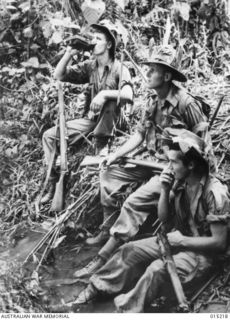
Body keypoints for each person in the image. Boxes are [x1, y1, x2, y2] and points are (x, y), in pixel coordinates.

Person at [74, 45, 214, 276]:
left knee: (133, 201)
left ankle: (103, 257)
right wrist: (114, 155)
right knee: (108, 174)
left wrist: (182, 172)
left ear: (167, 76)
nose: (146, 74)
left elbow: (203, 145)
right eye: (147, 69)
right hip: (149, 161)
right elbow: (140, 134)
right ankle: (106, 228)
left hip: (172, 169)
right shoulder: (153, 101)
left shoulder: (187, 104)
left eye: (153, 70)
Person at [69, 130, 229, 312]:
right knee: (129, 250)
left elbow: (220, 243)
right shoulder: (181, 183)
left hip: (203, 255)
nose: (168, 168)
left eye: (173, 162)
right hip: (178, 240)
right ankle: (94, 290)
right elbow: (164, 219)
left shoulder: (215, 194)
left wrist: (182, 241)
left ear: (191, 164)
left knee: (156, 270)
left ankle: (125, 310)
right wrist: (165, 189)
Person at [41, 21, 133, 204]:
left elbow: (128, 95)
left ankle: (101, 145)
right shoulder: (90, 66)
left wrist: (104, 93)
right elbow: (59, 75)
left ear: (108, 45)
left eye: (98, 39)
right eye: (93, 38)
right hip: (91, 120)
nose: (93, 41)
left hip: (114, 121)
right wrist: (69, 53)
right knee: (49, 136)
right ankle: (52, 183)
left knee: (109, 101)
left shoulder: (119, 68)